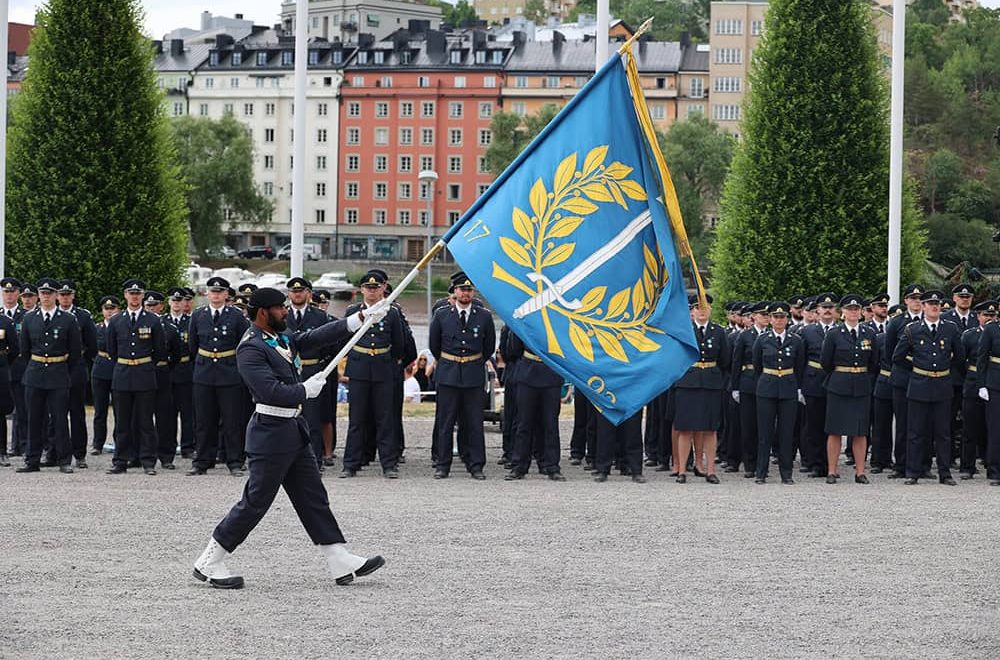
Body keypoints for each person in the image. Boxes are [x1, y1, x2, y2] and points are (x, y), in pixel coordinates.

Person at [191, 287, 386, 589]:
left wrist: (358, 319)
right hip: (269, 433)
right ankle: (209, 559)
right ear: (262, 313)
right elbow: (269, 391)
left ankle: (338, 557)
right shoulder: (251, 348)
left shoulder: (278, 337)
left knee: (312, 497)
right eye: (280, 308)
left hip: (292, 432)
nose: (286, 312)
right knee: (256, 501)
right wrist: (304, 391)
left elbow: (311, 339)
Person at [893, 289, 965, 486]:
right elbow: (898, 357)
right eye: (930, 303)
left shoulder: (950, 329)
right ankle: (913, 471)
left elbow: (959, 357)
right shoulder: (912, 330)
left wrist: (944, 367)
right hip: (919, 386)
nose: (935, 306)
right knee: (916, 432)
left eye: (937, 304)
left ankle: (944, 473)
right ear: (923, 307)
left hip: (942, 385)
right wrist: (918, 368)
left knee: (943, 433)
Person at [429, 272, 496, 480]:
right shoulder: (442, 315)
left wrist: (473, 362)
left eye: (469, 289)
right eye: (461, 289)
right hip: (448, 373)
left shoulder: (483, 316)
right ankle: (443, 464)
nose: (465, 293)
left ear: (472, 292)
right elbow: (434, 345)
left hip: (473, 374)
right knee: (445, 422)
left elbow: (489, 347)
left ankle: (476, 465)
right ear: (455, 291)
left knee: (474, 422)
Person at [341, 270, 405, 479]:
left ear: (383, 289)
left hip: (382, 368)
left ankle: (389, 464)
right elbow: (343, 337)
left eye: (376, 287)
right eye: (368, 288)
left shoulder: (392, 312)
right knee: (357, 419)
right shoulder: (352, 311)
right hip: (359, 368)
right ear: (361, 290)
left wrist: (390, 363)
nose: (372, 291)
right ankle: (351, 464)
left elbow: (399, 343)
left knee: (385, 418)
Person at [15, 278, 82, 474]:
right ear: (38, 295)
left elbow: (75, 352)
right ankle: (32, 460)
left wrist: (60, 367)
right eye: (42, 293)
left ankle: (63, 460)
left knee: (60, 419)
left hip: (58, 373)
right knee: (33, 419)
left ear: (55, 295)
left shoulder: (68, 319)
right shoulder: (29, 318)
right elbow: (24, 350)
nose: (46, 297)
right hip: (35, 374)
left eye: (50, 293)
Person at [187, 276, 251, 477]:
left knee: (232, 420)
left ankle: (234, 461)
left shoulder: (237, 316)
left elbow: (244, 345)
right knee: (204, 420)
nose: (216, 295)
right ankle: (202, 462)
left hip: (229, 373)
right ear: (207, 293)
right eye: (212, 291)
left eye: (220, 291)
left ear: (226, 294)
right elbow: (192, 346)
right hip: (204, 372)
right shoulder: (198, 316)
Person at [105, 280, 167, 475]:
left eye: (138, 293)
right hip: (122, 374)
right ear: (125, 295)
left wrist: (144, 362)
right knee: (122, 422)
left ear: (142, 296)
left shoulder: (153, 320)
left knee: (146, 421)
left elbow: (160, 350)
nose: (134, 297)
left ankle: (148, 461)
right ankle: (121, 460)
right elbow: (112, 350)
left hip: (144, 374)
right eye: (131, 293)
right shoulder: (116, 320)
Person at [820, 294, 879, 484]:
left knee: (860, 431)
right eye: (849, 309)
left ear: (861, 312)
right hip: (839, 384)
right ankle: (832, 470)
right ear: (842, 312)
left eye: (856, 309)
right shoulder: (834, 333)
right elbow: (825, 361)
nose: (853, 312)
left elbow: (874, 362)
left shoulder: (869, 333)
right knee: (834, 430)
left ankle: (860, 472)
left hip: (861, 384)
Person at [674, 294, 730, 484]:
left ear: (711, 310)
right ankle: (681, 469)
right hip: (688, 382)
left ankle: (710, 470)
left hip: (711, 383)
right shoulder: (684, 330)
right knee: (685, 429)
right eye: (698, 307)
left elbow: (725, 360)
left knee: (710, 429)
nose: (702, 311)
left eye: (705, 307)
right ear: (692, 311)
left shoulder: (718, 332)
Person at [752, 301, 805, 484]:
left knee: (786, 433)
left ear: (787, 319)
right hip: (767, 387)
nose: (779, 320)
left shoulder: (796, 340)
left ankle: (786, 473)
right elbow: (757, 365)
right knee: (764, 433)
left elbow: (800, 366)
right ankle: (761, 472)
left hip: (788, 388)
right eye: (775, 317)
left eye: (782, 317)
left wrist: (797, 389)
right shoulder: (762, 340)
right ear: (771, 319)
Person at [285, 277, 335, 468]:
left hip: (312, 369)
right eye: (293, 291)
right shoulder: (281, 314)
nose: (297, 294)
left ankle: (315, 461)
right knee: (288, 418)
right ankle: (289, 460)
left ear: (308, 293)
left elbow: (329, 346)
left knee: (313, 419)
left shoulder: (320, 316)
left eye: (301, 291)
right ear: (289, 294)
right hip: (288, 371)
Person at [503, 331, 565, 481]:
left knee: (550, 425)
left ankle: (552, 466)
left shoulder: (557, 317)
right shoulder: (526, 315)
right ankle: (519, 465)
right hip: (528, 373)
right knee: (523, 423)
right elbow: (513, 350)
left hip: (551, 373)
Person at [57, 279, 97, 469]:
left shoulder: (82, 316)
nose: (65, 298)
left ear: (73, 295)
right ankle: (54, 452)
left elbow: (91, 344)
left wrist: (79, 361)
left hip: (75, 368)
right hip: (55, 369)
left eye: (68, 294)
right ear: (58, 296)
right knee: (56, 414)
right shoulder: (52, 315)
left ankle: (79, 454)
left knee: (77, 413)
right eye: (62, 295)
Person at [886, 284, 925, 479]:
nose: (917, 302)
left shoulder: (930, 322)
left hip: (925, 380)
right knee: (902, 423)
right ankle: (901, 465)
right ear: (906, 301)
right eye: (913, 298)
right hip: (903, 378)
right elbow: (890, 352)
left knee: (923, 424)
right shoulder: (897, 322)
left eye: (920, 299)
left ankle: (922, 465)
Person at [798, 293, 838, 478]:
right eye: (824, 307)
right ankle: (815, 463)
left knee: (833, 425)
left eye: (831, 307)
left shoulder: (841, 330)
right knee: (814, 424)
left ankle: (832, 464)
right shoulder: (807, 332)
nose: (827, 310)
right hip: (813, 380)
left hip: (836, 381)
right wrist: (800, 386)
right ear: (817, 311)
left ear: (835, 311)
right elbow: (800, 360)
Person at [730, 301, 768, 477]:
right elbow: (736, 363)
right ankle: (749, 464)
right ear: (754, 317)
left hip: (766, 383)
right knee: (748, 426)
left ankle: (762, 464)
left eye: (767, 315)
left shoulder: (772, 335)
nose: (765, 318)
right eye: (762, 315)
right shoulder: (745, 336)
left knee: (765, 427)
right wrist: (735, 387)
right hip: (747, 383)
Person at [959, 300, 996, 479]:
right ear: (978, 316)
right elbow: (960, 360)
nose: (988, 318)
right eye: (985, 315)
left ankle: (991, 462)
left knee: (992, 427)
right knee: (970, 427)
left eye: (992, 315)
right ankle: (967, 466)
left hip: (993, 383)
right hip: (973, 382)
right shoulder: (969, 335)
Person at [164, 287, 194, 458]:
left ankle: (187, 447)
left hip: (185, 369)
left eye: (180, 301)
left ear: (185, 303)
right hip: (167, 371)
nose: (177, 304)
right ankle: (168, 447)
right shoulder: (162, 322)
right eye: (174, 301)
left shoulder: (191, 322)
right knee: (168, 413)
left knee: (187, 412)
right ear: (169, 302)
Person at [91, 296, 119, 457]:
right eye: (107, 309)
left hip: (117, 369)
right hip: (100, 369)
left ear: (118, 310)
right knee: (100, 411)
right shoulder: (97, 328)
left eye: (112, 308)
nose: (109, 312)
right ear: (102, 311)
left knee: (120, 411)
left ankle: (119, 443)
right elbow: (89, 348)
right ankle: (97, 444)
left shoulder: (122, 327)